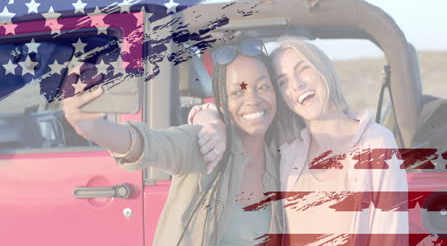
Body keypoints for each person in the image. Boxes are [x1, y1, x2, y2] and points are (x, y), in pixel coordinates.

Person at [189, 37, 409, 246]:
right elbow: (238, 115)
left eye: (303, 69)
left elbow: (390, 236)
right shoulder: (287, 147)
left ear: (323, 68)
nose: (297, 85)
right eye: (283, 82)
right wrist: (210, 120)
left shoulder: (375, 142)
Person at [62, 39, 283, 246]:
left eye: (263, 87)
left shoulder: (285, 153)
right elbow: (151, 144)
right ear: (222, 102)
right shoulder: (205, 145)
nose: (253, 100)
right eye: (237, 91)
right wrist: (93, 128)